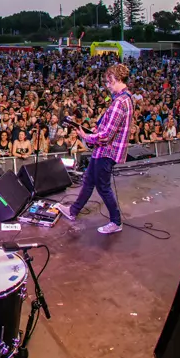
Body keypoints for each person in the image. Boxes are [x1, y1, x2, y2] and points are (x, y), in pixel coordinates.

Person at [60, 63, 133, 234]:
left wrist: (86, 136)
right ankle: (73, 211)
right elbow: (110, 128)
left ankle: (116, 221)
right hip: (103, 150)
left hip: (107, 151)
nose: (107, 85)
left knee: (103, 187)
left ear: (118, 79)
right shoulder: (126, 98)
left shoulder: (119, 103)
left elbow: (107, 135)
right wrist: (96, 130)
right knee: (88, 180)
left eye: (110, 81)